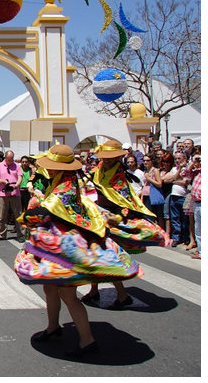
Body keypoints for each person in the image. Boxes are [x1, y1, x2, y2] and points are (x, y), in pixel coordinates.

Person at [14, 144, 141, 358]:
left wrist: (26, 216)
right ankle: (53, 327)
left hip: (67, 246)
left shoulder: (66, 184)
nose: (49, 169)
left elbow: (47, 210)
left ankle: (87, 340)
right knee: (50, 289)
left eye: (53, 166)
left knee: (68, 293)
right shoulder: (61, 180)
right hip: (55, 242)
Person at [81, 140, 168, 309]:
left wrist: (118, 218)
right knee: (94, 254)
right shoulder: (98, 170)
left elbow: (128, 203)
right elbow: (86, 180)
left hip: (112, 219)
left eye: (110, 158)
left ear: (117, 158)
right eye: (104, 157)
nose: (106, 160)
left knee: (108, 256)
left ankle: (122, 295)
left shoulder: (120, 178)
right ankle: (94, 289)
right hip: (99, 216)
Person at [0, 150, 24, 242]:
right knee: (2, 215)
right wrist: (2, 181)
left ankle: (20, 234)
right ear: (5, 158)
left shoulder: (17, 166)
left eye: (12, 159)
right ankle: (2, 234)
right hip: (3, 193)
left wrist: (16, 185)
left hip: (15, 193)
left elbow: (20, 177)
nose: (10, 161)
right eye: (9, 159)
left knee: (17, 214)